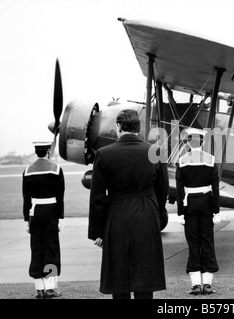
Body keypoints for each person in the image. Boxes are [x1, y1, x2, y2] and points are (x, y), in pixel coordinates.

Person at [88, 109, 168, 299]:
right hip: (146, 214)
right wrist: (156, 214)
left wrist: (97, 232)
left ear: (118, 126)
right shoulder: (155, 151)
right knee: (145, 276)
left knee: (119, 277)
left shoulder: (104, 154)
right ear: (138, 128)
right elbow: (163, 189)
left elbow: (97, 197)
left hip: (116, 216)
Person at [176, 128, 220, 295]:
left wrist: (180, 213)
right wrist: (216, 211)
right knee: (207, 242)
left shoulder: (182, 161)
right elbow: (215, 188)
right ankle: (207, 284)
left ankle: (195, 284)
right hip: (207, 203)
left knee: (193, 243)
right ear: (202, 142)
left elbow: (180, 190)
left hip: (190, 204)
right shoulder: (210, 160)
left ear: (188, 143)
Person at [22, 139, 65, 299]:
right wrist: (60, 217)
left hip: (35, 213)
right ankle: (50, 288)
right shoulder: (56, 169)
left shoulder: (27, 171)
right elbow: (60, 196)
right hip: (51, 213)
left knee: (37, 250)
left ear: (36, 152)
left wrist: (27, 219)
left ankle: (39, 289)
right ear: (48, 152)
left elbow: (26, 198)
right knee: (51, 250)